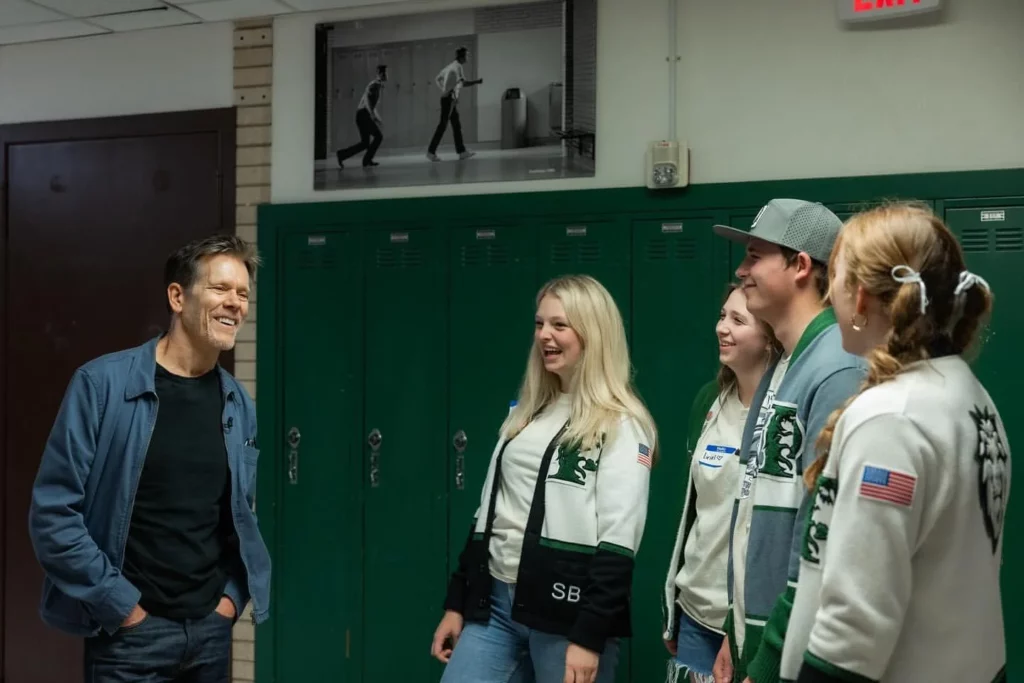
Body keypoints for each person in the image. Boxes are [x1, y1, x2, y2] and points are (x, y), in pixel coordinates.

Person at [780, 202, 1010, 683]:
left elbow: (857, 619)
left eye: (836, 279)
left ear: (860, 298)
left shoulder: (891, 417)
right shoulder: (966, 392)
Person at [28, 235, 272, 683]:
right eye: (220, 288)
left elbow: (240, 514)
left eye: (243, 293)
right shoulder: (101, 385)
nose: (236, 303)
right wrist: (121, 607)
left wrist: (230, 601)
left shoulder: (237, 404)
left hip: (210, 633)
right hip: (130, 637)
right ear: (177, 297)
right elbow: (52, 516)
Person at [431, 274, 658, 683]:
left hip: (568, 617)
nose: (545, 336)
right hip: (496, 606)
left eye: (560, 325)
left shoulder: (622, 426)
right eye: (539, 324)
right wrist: (457, 603)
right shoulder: (526, 414)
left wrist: (590, 637)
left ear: (592, 333)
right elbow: (489, 514)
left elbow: (619, 540)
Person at [709, 199, 866, 683]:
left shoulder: (837, 367)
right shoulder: (785, 364)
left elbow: (822, 537)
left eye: (755, 256)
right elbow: (759, 505)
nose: (741, 270)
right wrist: (736, 631)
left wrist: (771, 655)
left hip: (796, 651)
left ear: (801, 265)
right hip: (759, 636)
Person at [662, 283, 782, 683]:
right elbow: (692, 511)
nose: (721, 327)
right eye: (721, 315)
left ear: (769, 339)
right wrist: (672, 606)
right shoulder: (709, 400)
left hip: (752, 624)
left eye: (738, 319)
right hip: (696, 611)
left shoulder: (785, 411)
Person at [426, 46, 481, 162]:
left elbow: (437, 78)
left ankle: (462, 152)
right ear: (462, 56)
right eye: (467, 55)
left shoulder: (451, 66)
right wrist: (477, 82)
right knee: (443, 125)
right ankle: (431, 152)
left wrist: (444, 90)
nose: (468, 57)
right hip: (449, 100)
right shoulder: (458, 67)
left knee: (456, 125)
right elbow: (464, 83)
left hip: (449, 99)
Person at [336, 64, 387, 169]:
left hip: (362, 114)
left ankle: (341, 155)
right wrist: (372, 114)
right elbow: (367, 100)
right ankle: (366, 160)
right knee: (378, 137)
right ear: (382, 74)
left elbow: (371, 105)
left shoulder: (377, 85)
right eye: (387, 73)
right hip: (363, 114)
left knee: (365, 143)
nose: (388, 75)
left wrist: (377, 118)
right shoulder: (375, 84)